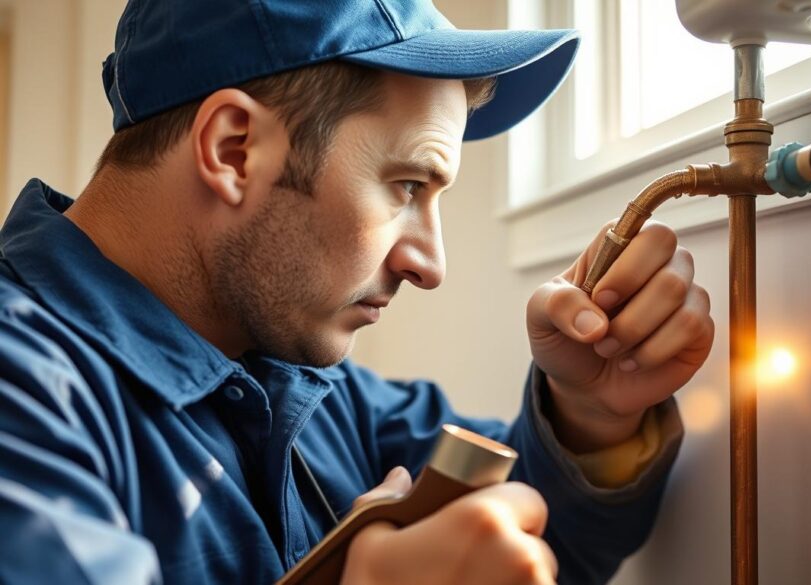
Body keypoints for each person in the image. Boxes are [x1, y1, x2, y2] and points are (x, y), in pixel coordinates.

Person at [0, 1, 713, 583]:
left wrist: (589, 410)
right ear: (233, 149)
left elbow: (523, 540)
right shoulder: (25, 395)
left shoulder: (311, 385)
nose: (431, 264)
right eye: (407, 185)